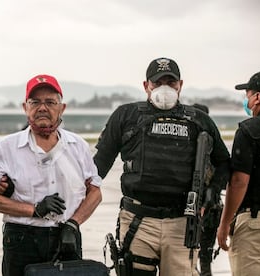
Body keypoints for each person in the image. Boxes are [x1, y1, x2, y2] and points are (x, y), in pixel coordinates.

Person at [93, 57, 230, 275]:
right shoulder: (126, 116)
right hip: (138, 221)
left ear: (180, 85)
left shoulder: (199, 120)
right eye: (158, 83)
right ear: (146, 86)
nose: (164, 88)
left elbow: (224, 163)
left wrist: (211, 194)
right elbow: (99, 164)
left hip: (182, 223)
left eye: (170, 82)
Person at [0, 74, 103, 276]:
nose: (42, 108)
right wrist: (34, 210)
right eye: (35, 102)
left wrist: (73, 224)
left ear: (62, 108)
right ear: (25, 107)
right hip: (22, 239)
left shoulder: (78, 145)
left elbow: (95, 193)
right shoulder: (6, 147)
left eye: (50, 102)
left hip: (67, 235)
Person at [217, 71, 260, 275]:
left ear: (258, 97)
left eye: (248, 95)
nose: (247, 101)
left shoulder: (250, 130)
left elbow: (238, 182)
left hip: (255, 223)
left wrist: (225, 222)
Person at [192, 103, 223, 276]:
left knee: (195, 257)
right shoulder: (211, 146)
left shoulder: (196, 147)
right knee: (204, 257)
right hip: (210, 209)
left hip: (205, 209)